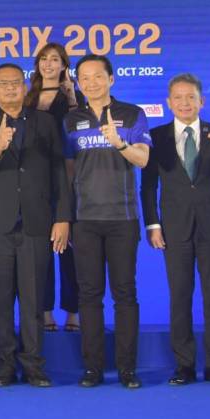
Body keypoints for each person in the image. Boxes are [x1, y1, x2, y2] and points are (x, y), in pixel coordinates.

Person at [141, 73, 210, 387]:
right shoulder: (156, 136)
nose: (184, 103)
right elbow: (148, 187)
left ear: (202, 101)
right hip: (174, 228)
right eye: (178, 97)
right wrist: (153, 224)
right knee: (179, 295)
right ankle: (184, 365)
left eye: (191, 97)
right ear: (168, 102)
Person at [0, 64, 71, 387]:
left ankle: (34, 366)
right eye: (4, 84)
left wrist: (63, 217)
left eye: (16, 82)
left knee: (33, 300)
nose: (11, 88)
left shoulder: (45, 122)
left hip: (35, 222)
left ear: (25, 87)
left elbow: (59, 172)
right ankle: (4, 365)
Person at [63, 54, 151, 389]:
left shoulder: (133, 113)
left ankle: (127, 369)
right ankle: (93, 368)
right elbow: (68, 172)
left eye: (97, 76)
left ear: (111, 79)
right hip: (85, 219)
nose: (91, 83)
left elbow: (143, 160)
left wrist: (120, 143)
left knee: (125, 293)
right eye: (84, 78)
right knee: (89, 295)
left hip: (122, 218)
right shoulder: (71, 119)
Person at [25, 42, 81, 332]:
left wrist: (71, 97)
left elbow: (79, 130)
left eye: (55, 59)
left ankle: (73, 312)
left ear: (64, 66)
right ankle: (45, 311)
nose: (48, 64)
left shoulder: (73, 96)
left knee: (70, 251)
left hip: (69, 179)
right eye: (43, 59)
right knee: (40, 252)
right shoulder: (27, 97)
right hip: (36, 183)